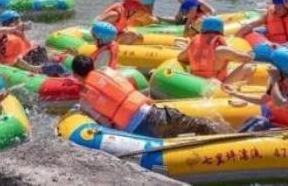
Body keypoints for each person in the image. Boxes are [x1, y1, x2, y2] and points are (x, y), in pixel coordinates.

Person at [72, 55, 228, 137]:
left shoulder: (85, 100)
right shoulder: (108, 72)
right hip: (154, 114)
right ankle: (230, 136)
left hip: (138, 131)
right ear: (93, 66)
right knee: (201, 125)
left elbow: (105, 123)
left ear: (76, 75)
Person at [225, 48, 288, 131]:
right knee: (255, 119)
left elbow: (279, 103)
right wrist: (236, 94)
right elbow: (262, 100)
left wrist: (275, 80)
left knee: (261, 123)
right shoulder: (280, 81)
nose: (271, 68)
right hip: (277, 126)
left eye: (274, 66)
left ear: (284, 71)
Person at [177, 17, 255, 84]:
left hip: (196, 82)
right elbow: (248, 59)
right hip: (216, 85)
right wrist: (248, 54)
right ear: (220, 29)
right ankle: (238, 91)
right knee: (248, 67)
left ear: (203, 29)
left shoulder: (192, 45)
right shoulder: (221, 50)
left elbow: (180, 58)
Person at [0, 11, 64, 75]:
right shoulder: (2, 37)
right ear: (9, 23)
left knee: (39, 49)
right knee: (21, 60)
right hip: (14, 64)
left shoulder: (19, 34)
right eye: (18, 21)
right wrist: (14, 29)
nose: (21, 23)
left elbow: (28, 47)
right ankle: (38, 69)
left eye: (20, 21)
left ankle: (48, 67)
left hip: (26, 59)